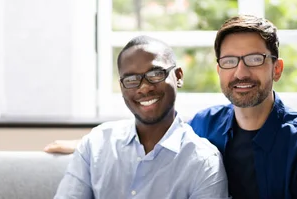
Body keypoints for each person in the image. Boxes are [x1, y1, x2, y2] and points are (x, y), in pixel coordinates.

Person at [47, 15, 297, 199]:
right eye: (230, 61)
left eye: (255, 60)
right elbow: (156, 131)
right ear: (219, 70)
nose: (241, 73)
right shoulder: (207, 125)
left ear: (277, 69)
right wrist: (87, 144)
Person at [53, 36, 229, 199]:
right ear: (121, 87)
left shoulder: (204, 161)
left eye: (155, 74)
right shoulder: (96, 144)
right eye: (131, 79)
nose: (144, 88)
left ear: (178, 76)